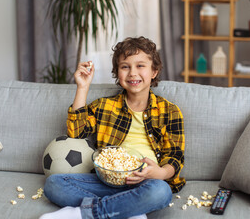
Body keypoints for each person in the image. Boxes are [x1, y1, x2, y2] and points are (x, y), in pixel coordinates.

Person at [40, 36, 185, 219]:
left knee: (161, 192)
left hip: (146, 181)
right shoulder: (104, 106)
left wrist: (161, 172)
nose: (132, 73)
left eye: (140, 66)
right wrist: (82, 88)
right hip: (106, 180)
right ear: (117, 72)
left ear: (154, 71)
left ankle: (85, 213)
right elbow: (76, 133)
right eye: (125, 66)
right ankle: (129, 210)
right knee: (53, 184)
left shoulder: (170, 111)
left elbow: (175, 156)